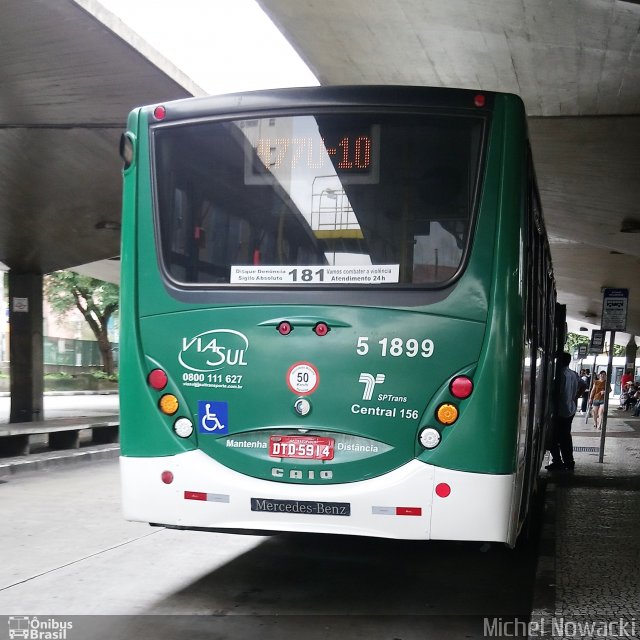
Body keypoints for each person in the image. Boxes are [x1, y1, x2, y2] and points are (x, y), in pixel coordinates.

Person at [546, 352, 585, 472]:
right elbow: (583, 385)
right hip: (570, 409)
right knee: (565, 437)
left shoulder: (560, 375)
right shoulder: (572, 373)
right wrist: (575, 397)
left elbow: (556, 394)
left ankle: (558, 461)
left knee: (553, 438)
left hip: (560, 411)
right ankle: (568, 461)